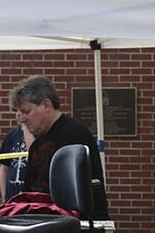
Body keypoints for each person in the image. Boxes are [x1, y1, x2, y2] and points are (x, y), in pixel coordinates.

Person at [10, 75, 110, 218]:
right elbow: (28, 192)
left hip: (73, 227)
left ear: (46, 105)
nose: (22, 119)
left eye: (26, 111)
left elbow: (78, 195)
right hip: (46, 223)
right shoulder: (36, 145)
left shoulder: (75, 134)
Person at [0, 121, 34, 202]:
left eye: (24, 111)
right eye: (16, 111)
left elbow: (33, 152)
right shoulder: (11, 136)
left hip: (32, 200)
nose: (18, 114)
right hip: (11, 199)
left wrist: (25, 128)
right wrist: (4, 197)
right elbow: (4, 168)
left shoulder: (40, 134)